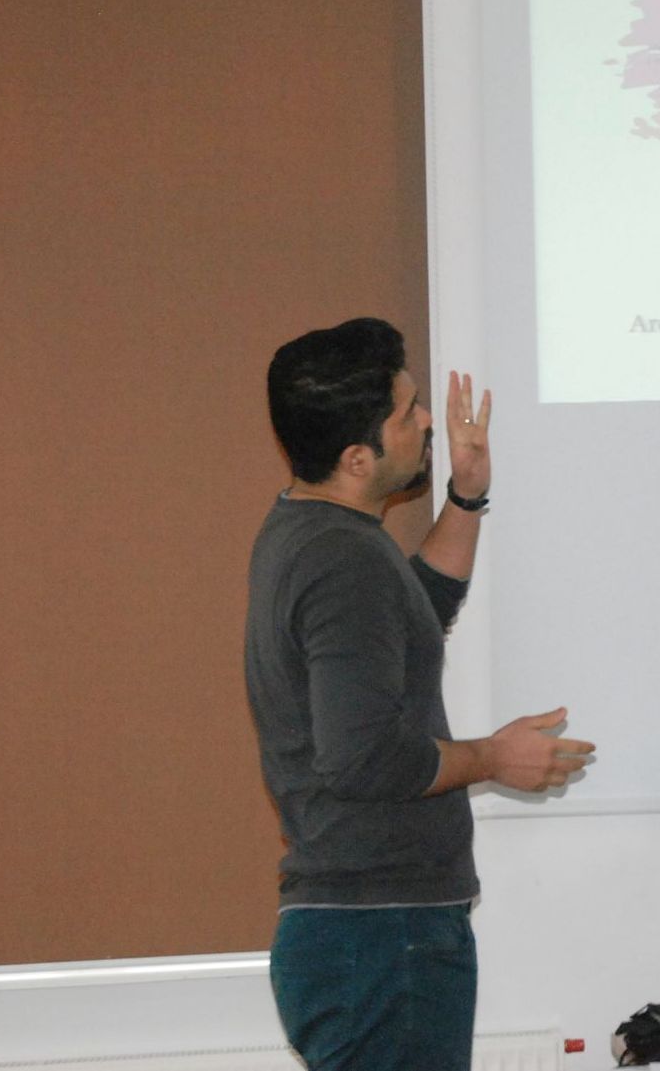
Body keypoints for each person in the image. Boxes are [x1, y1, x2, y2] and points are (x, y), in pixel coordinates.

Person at [245, 317, 593, 1070]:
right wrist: (493, 757)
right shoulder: (342, 559)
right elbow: (364, 757)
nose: (429, 418)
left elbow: (413, 616)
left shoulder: (313, 532)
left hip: (368, 935)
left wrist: (466, 496)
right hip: (382, 939)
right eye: (408, 413)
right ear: (357, 457)